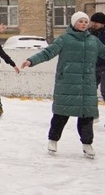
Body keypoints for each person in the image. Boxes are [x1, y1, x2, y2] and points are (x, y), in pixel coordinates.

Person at [21, 12, 105, 158]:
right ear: (73, 23)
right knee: (61, 115)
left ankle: (87, 144)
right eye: (80, 21)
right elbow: (48, 52)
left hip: (87, 86)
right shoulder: (64, 39)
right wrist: (31, 60)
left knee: (87, 117)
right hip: (67, 84)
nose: (84, 24)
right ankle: (53, 140)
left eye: (86, 21)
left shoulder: (93, 41)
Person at [89, 12, 105, 102]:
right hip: (92, 66)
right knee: (89, 90)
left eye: (97, 22)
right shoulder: (88, 33)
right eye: (93, 22)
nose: (94, 24)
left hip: (104, 66)